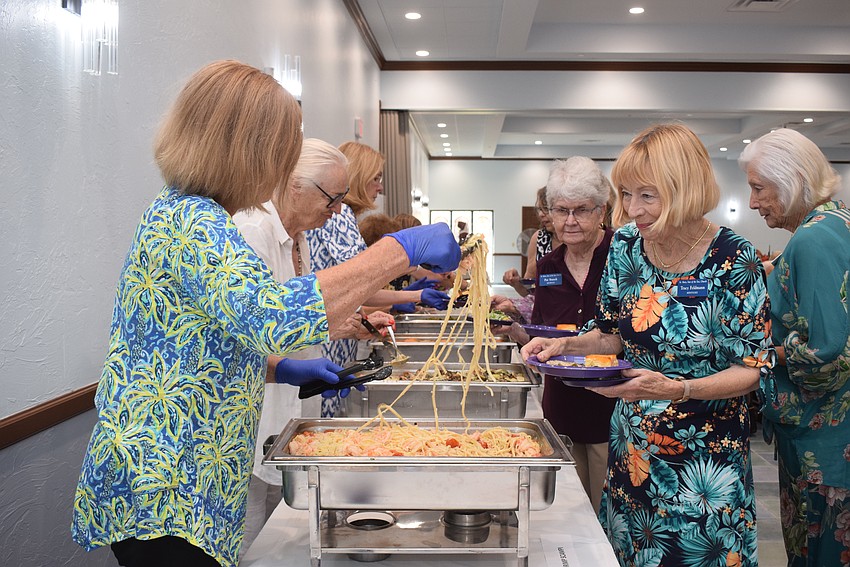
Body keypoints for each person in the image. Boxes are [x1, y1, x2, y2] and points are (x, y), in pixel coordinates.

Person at [70, 61, 461, 567]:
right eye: (282, 150)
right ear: (248, 150)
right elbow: (272, 317)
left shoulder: (193, 214)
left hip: (185, 477)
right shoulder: (192, 220)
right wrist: (398, 250)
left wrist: (277, 369)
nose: (283, 168)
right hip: (163, 483)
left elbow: (198, 340)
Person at [522, 123, 773, 566]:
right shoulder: (626, 246)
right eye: (624, 194)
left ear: (685, 188)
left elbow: (752, 368)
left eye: (647, 196)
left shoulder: (734, 257)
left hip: (704, 460)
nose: (631, 209)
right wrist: (565, 347)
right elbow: (612, 334)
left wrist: (678, 389)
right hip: (633, 446)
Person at [232, 138, 395, 555]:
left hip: (291, 409)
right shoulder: (254, 230)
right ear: (292, 186)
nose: (339, 209)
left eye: (343, 198)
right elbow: (254, 330)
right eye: (332, 198)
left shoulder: (299, 235)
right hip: (254, 414)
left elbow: (297, 318)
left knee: (281, 528)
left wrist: (343, 325)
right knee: (250, 538)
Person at [739, 128, 850, 566]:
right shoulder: (836, 221)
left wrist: (760, 356)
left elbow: (825, 349)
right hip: (830, 434)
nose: (752, 203)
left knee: (818, 551)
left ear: (792, 181)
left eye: (758, 188)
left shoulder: (813, 238)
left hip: (823, 441)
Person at [495, 157, 616, 512]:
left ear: (601, 211)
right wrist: (515, 328)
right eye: (561, 210)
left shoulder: (623, 255)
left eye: (581, 210)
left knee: (608, 513)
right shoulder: (548, 266)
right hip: (562, 405)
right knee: (568, 511)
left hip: (615, 405)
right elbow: (543, 330)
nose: (570, 221)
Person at [306, 142, 449, 416]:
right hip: (327, 340)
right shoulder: (340, 218)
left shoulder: (340, 217)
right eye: (376, 178)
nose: (380, 187)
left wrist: (414, 294)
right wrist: (411, 284)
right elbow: (359, 284)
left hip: (331, 333)